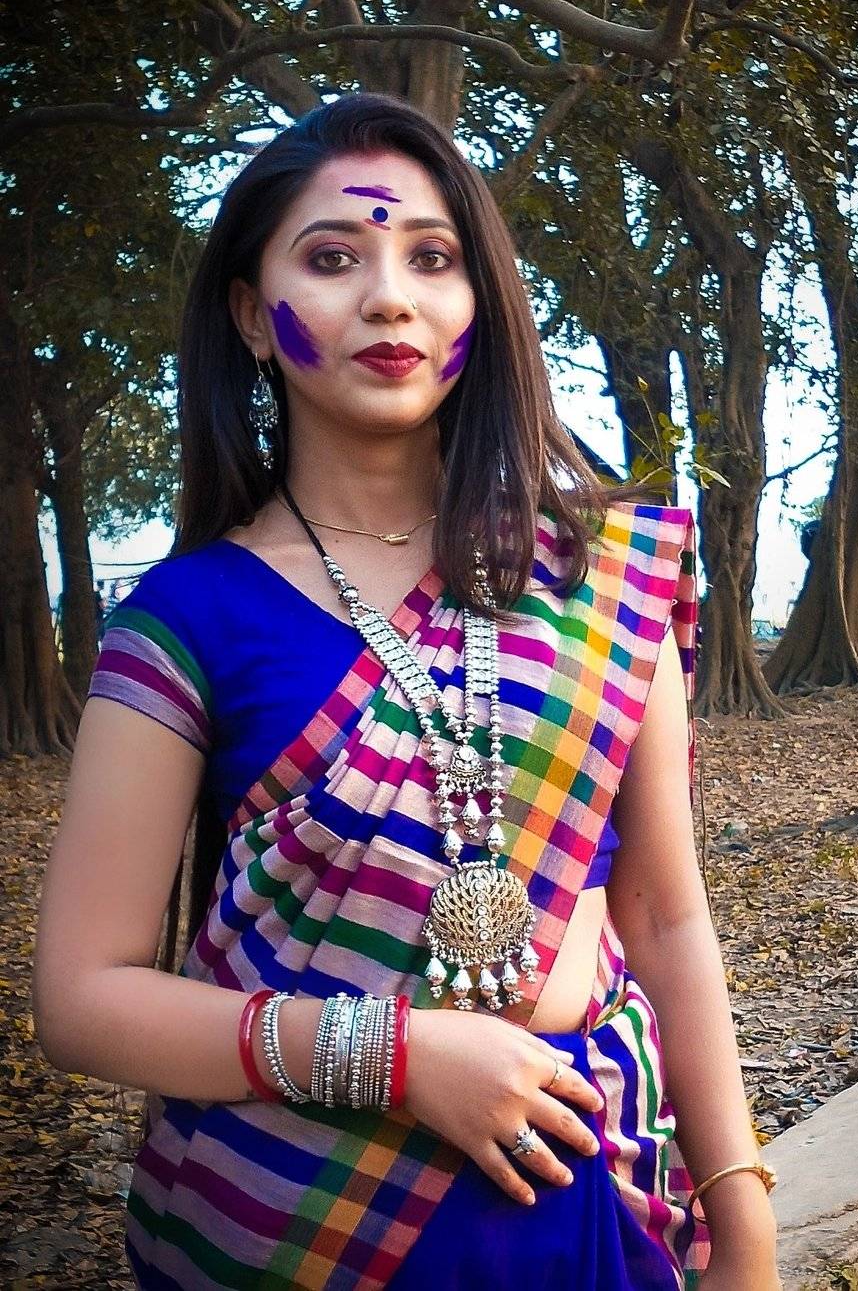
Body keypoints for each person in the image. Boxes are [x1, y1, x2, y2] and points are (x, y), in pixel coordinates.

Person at [33, 95, 780, 1291]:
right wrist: (394, 1055)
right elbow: (82, 998)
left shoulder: (598, 577)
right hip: (289, 1223)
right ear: (252, 314)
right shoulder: (185, 620)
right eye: (333, 259)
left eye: (433, 258)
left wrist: (741, 1216)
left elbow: (663, 915)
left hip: (594, 1202)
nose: (391, 297)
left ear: (480, 301)